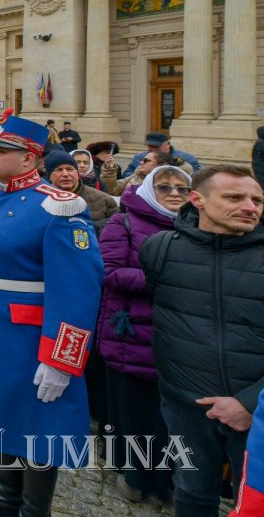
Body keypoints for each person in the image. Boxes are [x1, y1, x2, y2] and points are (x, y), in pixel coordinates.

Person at [0, 109, 103, 517]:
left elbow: (78, 291)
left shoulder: (59, 207)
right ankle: (5, 493)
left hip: (29, 334)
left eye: (1, 150)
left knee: (36, 422)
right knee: (2, 409)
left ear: (30, 158)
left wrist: (62, 359)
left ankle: (34, 509)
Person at [139, 164, 264, 517]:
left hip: (257, 414)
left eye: (257, 200)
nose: (250, 207)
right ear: (198, 200)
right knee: (192, 494)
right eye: (235, 197)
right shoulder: (161, 250)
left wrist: (248, 403)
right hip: (185, 406)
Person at [97, 165, 191, 505]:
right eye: (165, 188)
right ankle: (132, 473)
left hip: (179, 337)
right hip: (130, 334)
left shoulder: (195, 227)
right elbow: (109, 273)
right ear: (150, 190)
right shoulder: (122, 223)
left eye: (182, 188)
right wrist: (162, 281)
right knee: (132, 410)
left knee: (168, 416)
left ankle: (162, 480)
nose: (175, 194)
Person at [44, 150, 119, 234]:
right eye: (59, 170)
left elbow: (117, 229)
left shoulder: (104, 200)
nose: (65, 174)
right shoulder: (39, 199)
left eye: (70, 169)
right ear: (49, 175)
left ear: (77, 172)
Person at [126, 132, 201, 176]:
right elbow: (126, 175)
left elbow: (196, 179)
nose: (153, 149)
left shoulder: (187, 159)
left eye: (157, 146)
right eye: (150, 146)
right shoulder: (139, 157)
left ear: (168, 144)